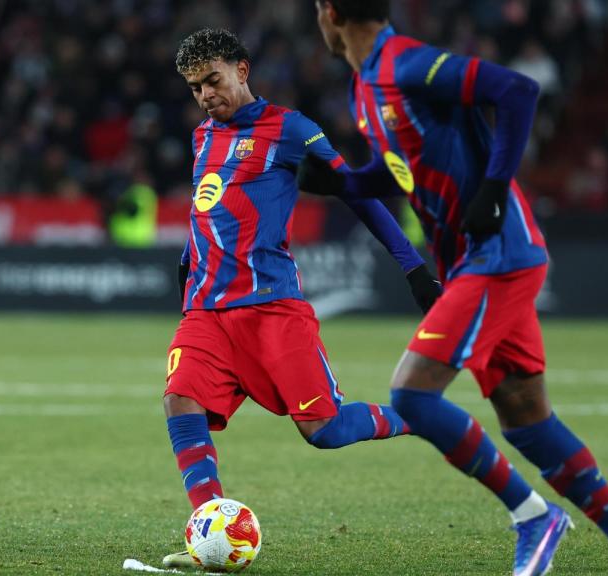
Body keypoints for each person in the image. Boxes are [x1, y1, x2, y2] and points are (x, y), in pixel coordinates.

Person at [302, 2, 608, 575]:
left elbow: (517, 91)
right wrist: (344, 182)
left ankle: (533, 516)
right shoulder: (365, 86)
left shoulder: (403, 62)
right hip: (471, 261)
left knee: (411, 395)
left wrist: (496, 187)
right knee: (527, 418)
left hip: (497, 254)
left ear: (329, 11)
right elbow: (404, 167)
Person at [161, 27, 442, 569]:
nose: (205, 95)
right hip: (206, 311)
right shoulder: (203, 137)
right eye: (195, 87)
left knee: (325, 429)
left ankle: (422, 416)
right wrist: (186, 268)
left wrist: (415, 270)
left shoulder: (290, 130)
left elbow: (356, 195)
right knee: (180, 401)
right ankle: (208, 528)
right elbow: (209, 213)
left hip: (271, 309)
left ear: (241, 70)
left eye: (212, 80)